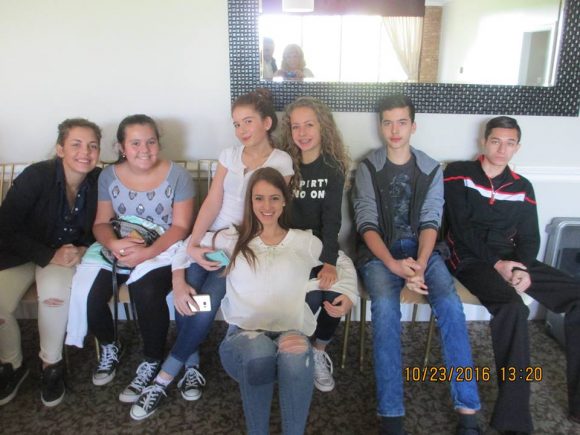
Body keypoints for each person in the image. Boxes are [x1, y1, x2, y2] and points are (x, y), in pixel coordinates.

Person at [129, 89, 294, 420]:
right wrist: (193, 244)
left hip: (240, 247)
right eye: (236, 123)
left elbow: (271, 214)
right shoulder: (229, 156)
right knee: (187, 294)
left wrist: (233, 249)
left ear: (267, 123)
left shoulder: (281, 162)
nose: (241, 130)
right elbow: (212, 202)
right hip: (209, 239)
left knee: (205, 304)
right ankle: (191, 364)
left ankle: (163, 378)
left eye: (248, 121)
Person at [352, 95, 481, 435]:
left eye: (402, 122)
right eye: (388, 122)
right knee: (384, 308)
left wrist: (421, 263)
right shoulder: (368, 168)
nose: (394, 130)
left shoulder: (430, 168)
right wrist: (393, 264)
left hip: (424, 251)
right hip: (380, 254)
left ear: (413, 126)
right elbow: (366, 223)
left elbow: (430, 220)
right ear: (380, 126)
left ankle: (468, 412)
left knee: (450, 304)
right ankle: (391, 417)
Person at [444, 116, 580, 434]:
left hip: (511, 257)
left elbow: (530, 237)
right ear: (483, 142)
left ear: (517, 147)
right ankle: (514, 419)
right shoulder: (458, 173)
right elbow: (461, 230)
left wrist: (521, 266)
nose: (502, 149)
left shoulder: (522, 187)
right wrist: (499, 265)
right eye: (495, 141)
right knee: (513, 308)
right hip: (468, 257)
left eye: (509, 143)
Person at [67, 114, 194, 404]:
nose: (144, 149)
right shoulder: (108, 176)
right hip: (120, 243)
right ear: (122, 147)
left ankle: (152, 358)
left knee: (146, 291)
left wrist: (147, 253)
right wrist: (114, 244)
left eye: (151, 141)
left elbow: (180, 227)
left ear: (158, 143)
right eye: (135, 143)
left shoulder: (178, 176)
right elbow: (101, 222)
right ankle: (110, 344)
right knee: (88, 293)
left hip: (163, 247)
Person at [0, 118, 102, 407]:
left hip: (66, 255)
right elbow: (5, 227)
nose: (85, 152)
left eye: (92, 146)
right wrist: (47, 255)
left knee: (54, 297)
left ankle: (51, 365)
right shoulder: (36, 176)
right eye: (76, 144)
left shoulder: (101, 180)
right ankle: (12, 365)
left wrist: (83, 248)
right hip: (20, 253)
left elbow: (107, 225)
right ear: (60, 149)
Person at [215, 167, 321, 434]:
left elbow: (339, 262)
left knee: (295, 353)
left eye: (274, 198)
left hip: (290, 332)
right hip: (242, 338)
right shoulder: (230, 239)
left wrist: (346, 292)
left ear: (284, 200)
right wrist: (180, 282)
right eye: (259, 198)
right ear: (250, 201)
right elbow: (186, 250)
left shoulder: (304, 241)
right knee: (260, 349)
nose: (267, 206)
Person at [279, 96, 358, 392]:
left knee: (334, 299)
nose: (302, 132)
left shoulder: (332, 167)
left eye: (309, 125)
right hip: (290, 247)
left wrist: (328, 262)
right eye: (296, 126)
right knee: (309, 300)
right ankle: (294, 353)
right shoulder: (284, 164)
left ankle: (319, 350)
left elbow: (332, 220)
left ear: (323, 126)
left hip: (321, 245)